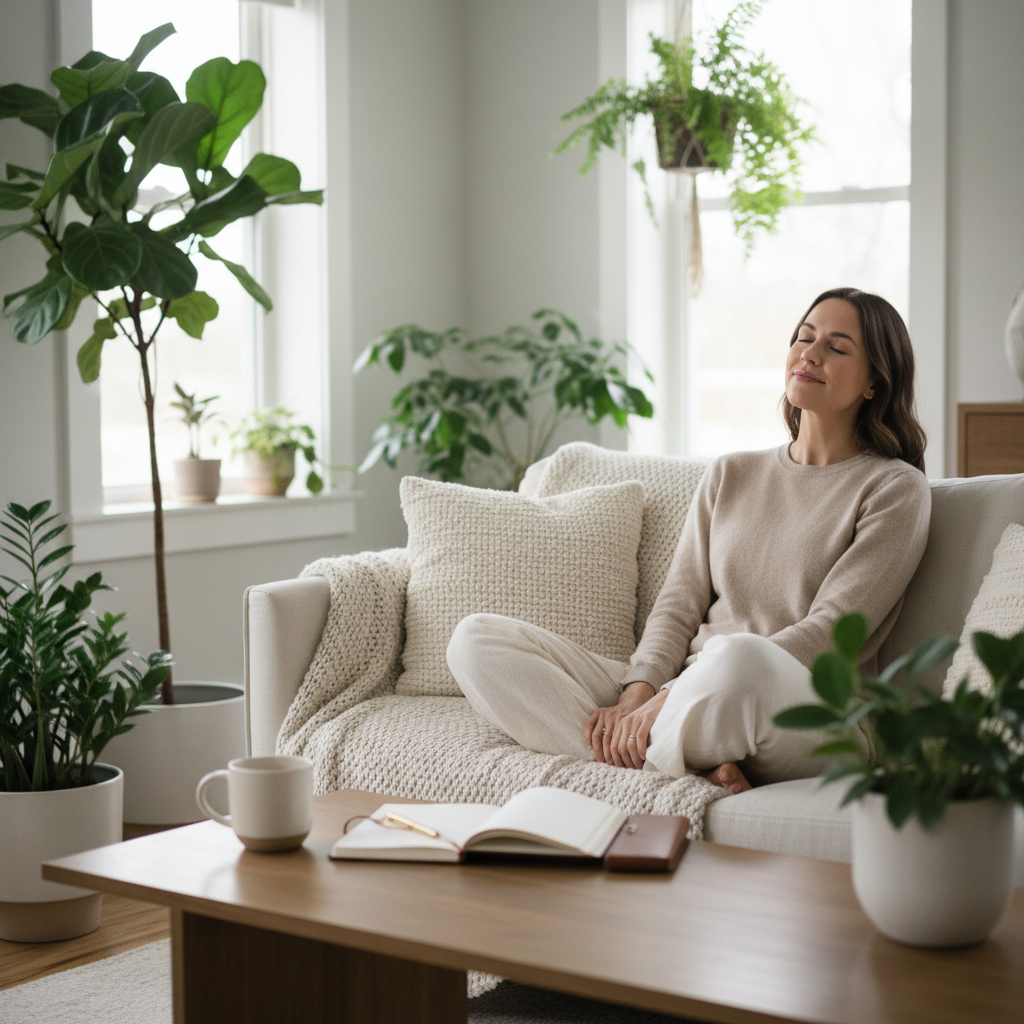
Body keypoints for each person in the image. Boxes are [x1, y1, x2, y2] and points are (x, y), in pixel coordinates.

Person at [446, 288, 931, 794]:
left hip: (805, 709)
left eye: (837, 346)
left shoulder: (895, 488)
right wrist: (638, 692)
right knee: (476, 639)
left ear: (876, 380)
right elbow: (678, 604)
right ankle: (682, 768)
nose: (809, 353)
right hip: (695, 694)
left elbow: (830, 633)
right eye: (804, 338)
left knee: (740, 657)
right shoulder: (732, 473)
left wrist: (671, 695)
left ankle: (637, 759)